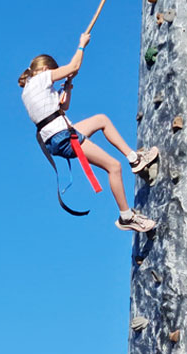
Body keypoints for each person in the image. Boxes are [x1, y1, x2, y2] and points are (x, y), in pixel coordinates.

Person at [19, 32, 158, 231]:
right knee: (114, 167)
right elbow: (73, 66)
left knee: (101, 120)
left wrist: (67, 85)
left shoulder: (29, 90)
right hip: (63, 136)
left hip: (58, 134)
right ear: (44, 69)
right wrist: (81, 45)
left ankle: (134, 158)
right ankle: (126, 215)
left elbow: (63, 107)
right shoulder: (41, 79)